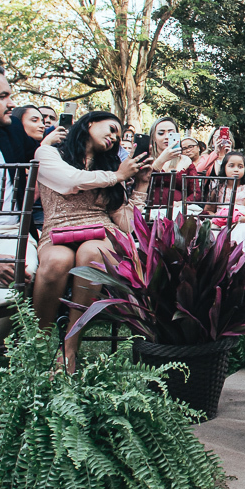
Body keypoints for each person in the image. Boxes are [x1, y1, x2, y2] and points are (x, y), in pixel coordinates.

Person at [32, 111, 151, 371]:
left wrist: (140, 185)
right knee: (56, 261)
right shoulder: (49, 153)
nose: (113, 137)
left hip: (101, 233)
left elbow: (126, 224)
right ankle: (37, 347)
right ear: (88, 124)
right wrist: (118, 176)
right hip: (58, 231)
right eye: (110, 129)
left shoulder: (109, 167)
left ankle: (70, 348)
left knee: (91, 252)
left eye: (117, 136)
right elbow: (69, 181)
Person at [0, 65, 40, 291]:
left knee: (22, 271)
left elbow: (40, 157)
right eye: (2, 96)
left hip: (11, 232)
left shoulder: (12, 129)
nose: (11, 104)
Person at [206, 151, 245, 251]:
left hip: (244, 222)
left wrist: (239, 219)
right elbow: (208, 211)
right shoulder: (218, 189)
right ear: (224, 168)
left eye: (240, 166)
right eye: (231, 166)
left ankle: (238, 260)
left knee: (242, 230)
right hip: (220, 222)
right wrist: (219, 218)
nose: (236, 170)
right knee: (211, 230)